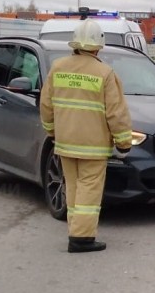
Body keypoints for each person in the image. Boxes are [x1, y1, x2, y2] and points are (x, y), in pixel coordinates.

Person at [39, 19, 133, 253]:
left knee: (72, 187)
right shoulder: (104, 73)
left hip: (65, 143)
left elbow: (46, 106)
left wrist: (52, 131)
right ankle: (82, 238)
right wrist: (124, 143)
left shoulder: (58, 68)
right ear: (99, 45)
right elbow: (116, 113)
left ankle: (75, 230)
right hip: (93, 147)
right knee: (88, 191)